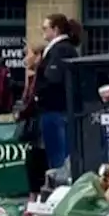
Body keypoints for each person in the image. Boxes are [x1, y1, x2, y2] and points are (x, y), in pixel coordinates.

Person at [34, 14, 82, 176]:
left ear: (55, 29)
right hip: (58, 108)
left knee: (58, 157)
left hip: (56, 109)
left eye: (45, 28)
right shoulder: (64, 49)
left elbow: (53, 78)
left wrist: (38, 91)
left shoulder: (60, 50)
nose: (43, 32)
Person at [18, 42, 49, 201]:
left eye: (28, 54)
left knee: (38, 159)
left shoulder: (40, 78)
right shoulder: (32, 77)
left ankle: (36, 195)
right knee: (33, 159)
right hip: (34, 126)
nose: (25, 59)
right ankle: (34, 195)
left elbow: (29, 103)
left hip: (39, 125)